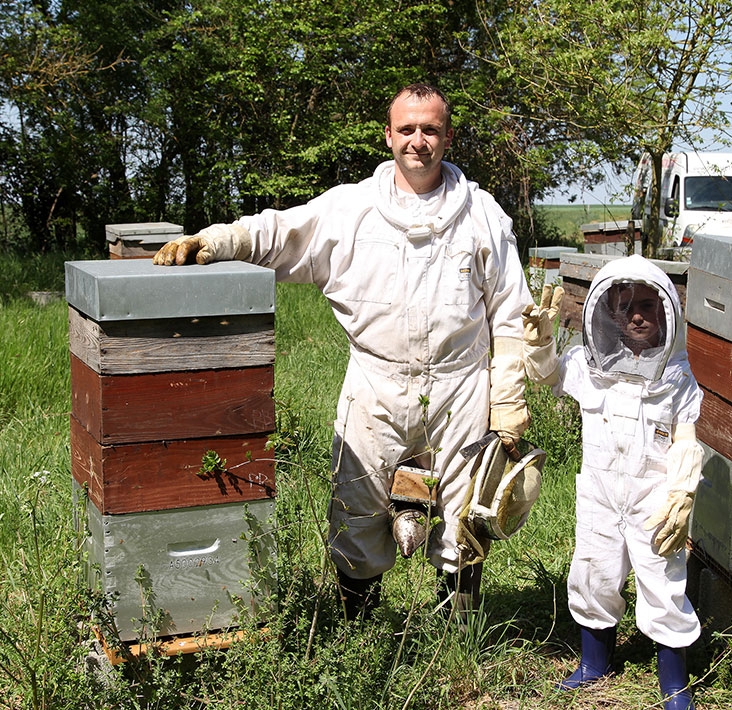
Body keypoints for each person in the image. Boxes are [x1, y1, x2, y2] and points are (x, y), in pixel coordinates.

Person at [152, 83, 534, 620]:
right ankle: (360, 630)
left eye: (429, 129)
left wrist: (509, 405)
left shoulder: (483, 217)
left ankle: (456, 633)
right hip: (375, 385)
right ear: (388, 135)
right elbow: (279, 232)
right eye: (407, 129)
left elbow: (512, 316)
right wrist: (216, 242)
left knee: (465, 513)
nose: (418, 141)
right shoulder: (351, 209)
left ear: (447, 137)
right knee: (356, 511)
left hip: (460, 386)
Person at [522, 255, 704, 710]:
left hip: (653, 498)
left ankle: (674, 684)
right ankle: (593, 663)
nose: (638, 314)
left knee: (663, 581)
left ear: (668, 313)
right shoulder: (589, 366)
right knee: (593, 571)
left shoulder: (677, 378)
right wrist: (541, 341)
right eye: (626, 307)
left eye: (648, 304)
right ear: (608, 314)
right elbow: (546, 374)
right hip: (599, 493)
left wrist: (681, 491)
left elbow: (686, 439)